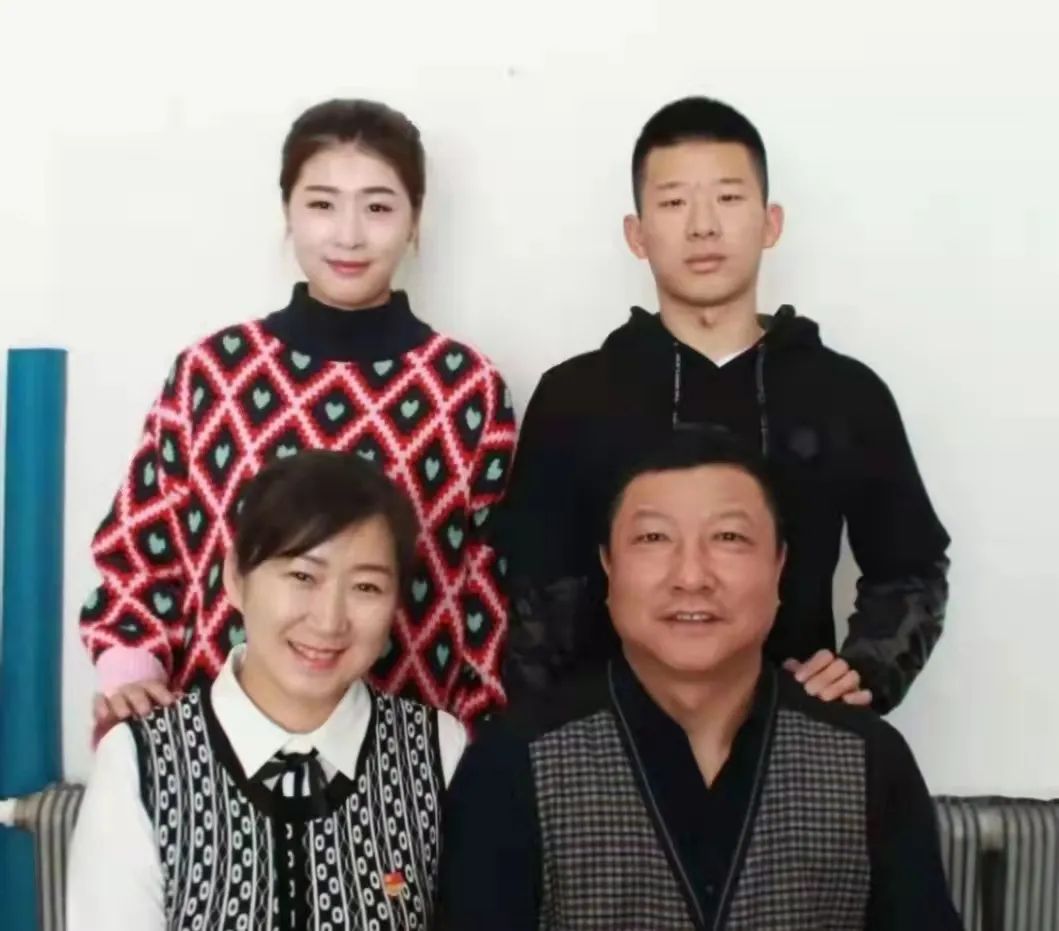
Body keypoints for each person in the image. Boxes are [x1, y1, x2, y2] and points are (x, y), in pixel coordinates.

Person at [498, 95, 949, 716]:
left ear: (771, 223)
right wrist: (554, 731)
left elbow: (910, 568)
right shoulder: (574, 396)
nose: (703, 226)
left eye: (729, 198)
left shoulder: (845, 392)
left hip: (793, 735)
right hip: (610, 739)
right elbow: (533, 594)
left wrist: (865, 669)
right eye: (674, 202)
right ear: (637, 234)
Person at [80, 99, 516, 734]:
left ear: (415, 220)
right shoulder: (214, 371)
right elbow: (141, 547)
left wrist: (475, 743)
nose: (348, 235)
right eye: (321, 204)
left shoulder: (465, 386)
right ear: (287, 211)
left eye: (378, 207)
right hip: (217, 741)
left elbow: (489, 587)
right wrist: (130, 673)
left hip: (404, 748)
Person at [440, 432, 962, 930]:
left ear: (779, 565)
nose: (691, 577)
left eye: (729, 538)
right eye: (653, 538)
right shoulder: (513, 763)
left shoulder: (869, 761)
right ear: (608, 566)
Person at [69, 449, 467, 930]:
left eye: (366, 587)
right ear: (236, 578)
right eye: (302, 576)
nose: (329, 621)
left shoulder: (438, 750)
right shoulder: (140, 762)